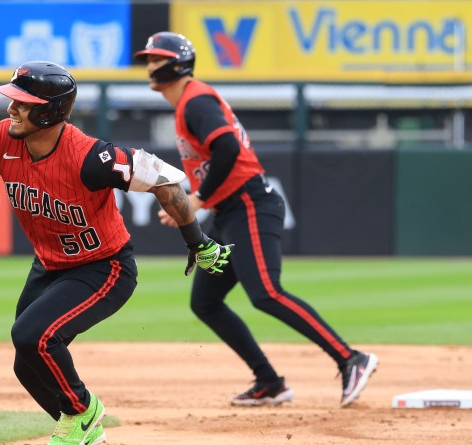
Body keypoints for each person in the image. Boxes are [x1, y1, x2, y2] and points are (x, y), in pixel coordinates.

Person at [0, 61, 232, 445]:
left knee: (33, 336)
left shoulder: (92, 157)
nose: (11, 110)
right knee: (27, 361)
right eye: (13, 101)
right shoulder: (3, 137)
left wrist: (197, 242)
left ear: (50, 111)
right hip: (50, 265)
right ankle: (77, 423)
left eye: (22, 104)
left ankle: (82, 412)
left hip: (103, 268)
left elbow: (165, 180)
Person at [134, 32, 378, 408]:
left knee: (266, 293)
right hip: (228, 212)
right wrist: (200, 202)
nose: (150, 64)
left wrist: (196, 199)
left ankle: (350, 359)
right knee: (206, 302)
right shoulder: (187, 102)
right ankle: (269, 381)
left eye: (156, 58)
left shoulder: (195, 99)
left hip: (249, 203)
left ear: (178, 63)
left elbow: (228, 146)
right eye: (148, 58)